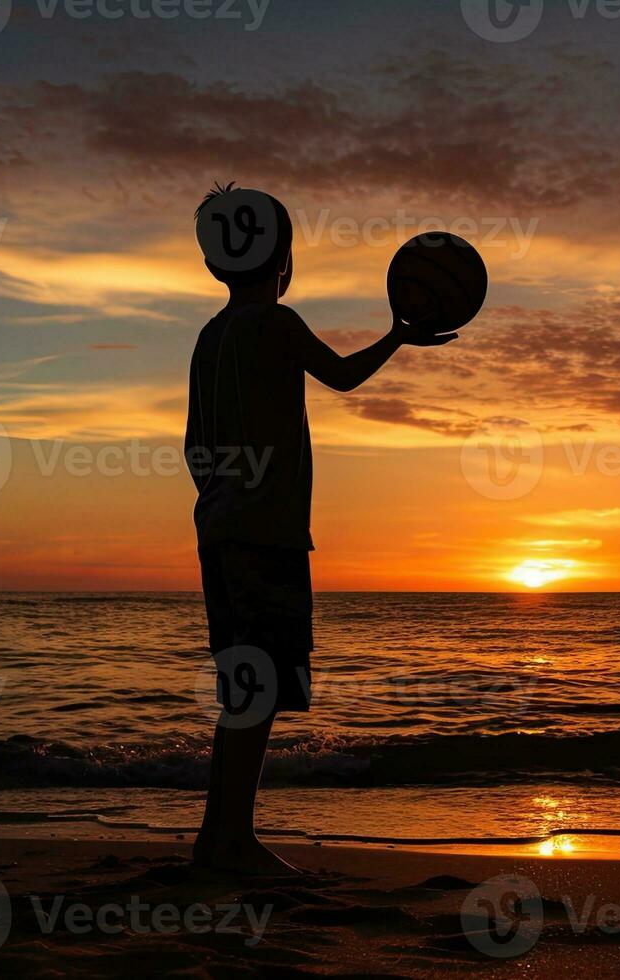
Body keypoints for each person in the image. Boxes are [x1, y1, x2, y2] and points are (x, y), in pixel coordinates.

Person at [185, 182, 455, 874]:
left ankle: (218, 840)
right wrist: (398, 335)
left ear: (217, 263)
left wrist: (222, 498)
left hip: (216, 530)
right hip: (266, 532)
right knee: (262, 687)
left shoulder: (209, 338)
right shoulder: (275, 324)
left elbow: (193, 446)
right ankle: (231, 842)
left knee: (243, 686)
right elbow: (340, 375)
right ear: (284, 262)